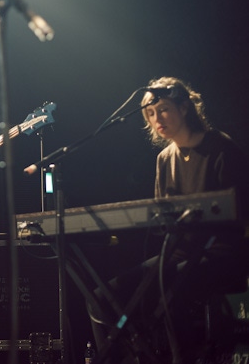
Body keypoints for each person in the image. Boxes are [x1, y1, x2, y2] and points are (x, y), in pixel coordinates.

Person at [89, 76, 249, 362]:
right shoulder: (164, 159)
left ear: (185, 108)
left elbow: (238, 217)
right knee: (102, 298)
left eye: (162, 109)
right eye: (150, 114)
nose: (156, 118)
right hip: (179, 255)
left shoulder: (221, 148)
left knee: (170, 291)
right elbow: (162, 220)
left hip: (224, 255)